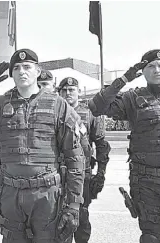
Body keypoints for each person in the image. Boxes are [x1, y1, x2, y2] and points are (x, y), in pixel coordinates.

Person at [0, 49, 85, 243]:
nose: (22, 71)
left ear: (37, 71)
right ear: (11, 74)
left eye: (27, 67)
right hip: (11, 196)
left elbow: (75, 157)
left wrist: (73, 205)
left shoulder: (58, 105)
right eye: (17, 68)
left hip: (46, 196)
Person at [88, 49, 160, 243]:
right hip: (146, 181)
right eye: (150, 66)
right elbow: (96, 106)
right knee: (151, 238)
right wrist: (124, 79)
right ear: (143, 72)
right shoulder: (132, 98)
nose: (157, 70)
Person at [57, 77, 111, 243]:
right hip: (57, 174)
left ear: (78, 92)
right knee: (57, 219)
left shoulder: (89, 114)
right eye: (64, 90)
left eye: (71, 90)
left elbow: (102, 145)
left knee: (81, 218)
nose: (68, 93)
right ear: (59, 92)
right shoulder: (54, 112)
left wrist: (100, 174)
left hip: (82, 175)